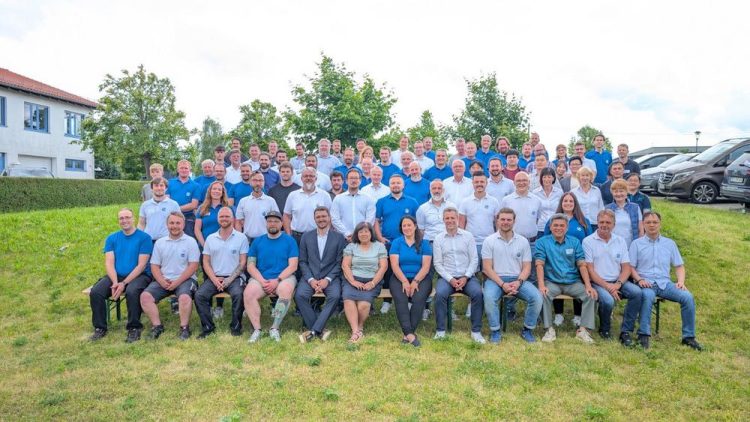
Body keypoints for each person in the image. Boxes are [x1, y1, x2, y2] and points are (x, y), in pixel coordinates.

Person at [629, 212, 703, 351]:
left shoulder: (669, 244)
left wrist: (681, 281)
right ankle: (643, 335)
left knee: (687, 297)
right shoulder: (636, 244)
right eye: (648, 222)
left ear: (660, 224)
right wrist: (639, 279)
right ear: (643, 224)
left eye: (655, 222)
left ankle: (688, 337)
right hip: (646, 283)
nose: (652, 225)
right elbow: (630, 267)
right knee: (648, 296)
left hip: (665, 284)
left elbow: (679, 266)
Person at [88, 208, 154, 342]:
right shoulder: (112, 238)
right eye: (121, 218)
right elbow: (109, 263)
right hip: (116, 276)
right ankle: (100, 328)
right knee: (96, 292)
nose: (124, 220)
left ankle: (134, 327)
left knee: (132, 291)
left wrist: (124, 283)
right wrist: (115, 282)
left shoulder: (144, 238)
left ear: (133, 218)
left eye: (127, 217)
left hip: (140, 276)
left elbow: (141, 266)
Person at [583, 209, 647, 344]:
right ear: (597, 223)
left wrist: (617, 284)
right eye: (601, 222)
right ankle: (604, 329)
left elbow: (626, 267)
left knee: (637, 293)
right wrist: (608, 287)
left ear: (614, 224)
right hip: (598, 282)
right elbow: (590, 270)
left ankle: (626, 331)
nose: (604, 225)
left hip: (618, 281)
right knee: (608, 301)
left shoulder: (620, 241)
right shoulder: (588, 241)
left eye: (608, 222)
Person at [535, 214, 598, 344]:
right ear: (550, 227)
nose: (558, 228)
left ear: (567, 228)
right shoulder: (542, 242)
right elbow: (539, 264)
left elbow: (582, 264)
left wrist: (588, 285)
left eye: (562, 225)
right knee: (543, 294)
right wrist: (541, 285)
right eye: (555, 225)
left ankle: (583, 331)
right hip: (552, 282)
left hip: (572, 282)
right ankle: (549, 329)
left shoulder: (574, 242)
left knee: (590, 295)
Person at [482, 208, 541, 343]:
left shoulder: (523, 241)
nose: (505, 222)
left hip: (517, 279)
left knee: (536, 297)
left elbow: (527, 268)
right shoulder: (489, 241)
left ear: (514, 221)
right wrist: (502, 284)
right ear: (497, 221)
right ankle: (495, 331)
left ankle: (527, 330)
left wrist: (518, 282)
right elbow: (487, 268)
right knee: (489, 298)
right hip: (495, 280)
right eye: (502, 219)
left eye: (509, 219)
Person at [140, 212, 201, 340]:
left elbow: (193, 266)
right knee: (145, 297)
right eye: (171, 223)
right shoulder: (160, 243)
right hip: (164, 280)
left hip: (185, 279)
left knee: (184, 298)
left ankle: (184, 328)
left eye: (178, 223)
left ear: (183, 224)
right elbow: (154, 266)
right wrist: (161, 281)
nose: (174, 226)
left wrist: (177, 282)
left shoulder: (191, 242)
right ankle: (157, 326)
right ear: (167, 225)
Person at [244, 211, 299, 343]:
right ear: (266, 223)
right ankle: (257, 329)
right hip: (261, 278)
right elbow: (250, 266)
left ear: (281, 223)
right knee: (248, 293)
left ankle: (274, 327)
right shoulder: (257, 241)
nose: (272, 224)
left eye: (276, 221)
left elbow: (293, 266)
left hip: (284, 278)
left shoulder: (289, 241)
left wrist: (277, 280)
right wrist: (262, 281)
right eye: (269, 221)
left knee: (285, 290)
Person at [433, 207, 486, 343]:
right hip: (447, 278)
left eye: (452, 218)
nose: (450, 220)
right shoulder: (438, 239)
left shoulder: (468, 236)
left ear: (457, 219)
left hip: (467, 277)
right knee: (440, 294)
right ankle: (440, 331)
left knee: (478, 294)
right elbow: (437, 263)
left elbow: (474, 259)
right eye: (447, 218)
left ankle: (476, 331)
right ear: (443, 220)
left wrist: (466, 277)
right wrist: (450, 279)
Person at [194, 207, 249, 338]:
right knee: (199, 295)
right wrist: (214, 279)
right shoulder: (210, 238)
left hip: (235, 277)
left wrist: (228, 280)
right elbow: (206, 262)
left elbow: (243, 263)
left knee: (239, 294)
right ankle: (208, 327)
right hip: (215, 277)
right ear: (218, 219)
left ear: (233, 219)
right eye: (221, 217)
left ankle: (236, 327)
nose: (224, 219)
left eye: (227, 216)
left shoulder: (241, 238)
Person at [296, 207, 347, 342]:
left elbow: (339, 262)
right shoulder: (306, 236)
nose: (321, 219)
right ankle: (319, 329)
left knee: (335, 296)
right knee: (300, 295)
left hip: (331, 278)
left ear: (329, 218)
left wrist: (327, 280)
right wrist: (311, 280)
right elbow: (303, 261)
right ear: (314, 219)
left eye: (324, 216)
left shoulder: (339, 237)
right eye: (318, 217)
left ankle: (313, 331)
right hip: (310, 277)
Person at [544, 192, 593, 327]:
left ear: (575, 203)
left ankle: (578, 315)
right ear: (561, 203)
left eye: (571, 201)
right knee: (557, 280)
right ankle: (558, 314)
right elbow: (546, 239)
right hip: (557, 258)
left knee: (578, 284)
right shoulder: (553, 220)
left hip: (578, 259)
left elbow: (590, 241)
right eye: (565, 201)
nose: (568, 203)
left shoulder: (583, 221)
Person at [374, 174, 419, 314]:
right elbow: (376, 221)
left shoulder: (412, 202)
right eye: (393, 183)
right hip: (388, 242)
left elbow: (417, 223)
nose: (395, 185)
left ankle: (410, 300)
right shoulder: (382, 201)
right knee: (387, 271)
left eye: (398, 183)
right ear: (389, 185)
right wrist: (380, 237)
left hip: (407, 243)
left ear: (403, 185)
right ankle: (387, 301)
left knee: (407, 269)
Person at [389, 216, 433, 346]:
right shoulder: (397, 243)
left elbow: (426, 267)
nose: (407, 228)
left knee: (418, 299)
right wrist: (404, 281)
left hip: (421, 277)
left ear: (415, 226)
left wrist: (415, 281)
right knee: (400, 299)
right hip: (399, 277)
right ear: (401, 228)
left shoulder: (424, 244)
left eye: (409, 225)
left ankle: (407, 334)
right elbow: (394, 265)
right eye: (404, 226)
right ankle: (410, 334)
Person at [341, 222, 388, 343]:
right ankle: (356, 331)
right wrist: (353, 281)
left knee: (363, 305)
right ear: (357, 234)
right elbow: (345, 265)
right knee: (348, 300)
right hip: (352, 279)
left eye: (366, 231)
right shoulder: (351, 246)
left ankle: (360, 326)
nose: (363, 234)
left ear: (371, 233)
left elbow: (383, 267)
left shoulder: (379, 246)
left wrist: (372, 283)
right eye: (360, 232)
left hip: (372, 280)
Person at [284, 167, 333, 244]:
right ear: (301, 178)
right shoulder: (292, 195)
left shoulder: (325, 195)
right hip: (296, 237)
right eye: (305, 176)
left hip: (318, 236)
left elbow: (330, 216)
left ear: (316, 178)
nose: (308, 178)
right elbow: (286, 216)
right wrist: (288, 235)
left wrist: (325, 234)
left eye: (311, 176)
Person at [459, 172, 501, 257]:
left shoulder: (494, 201)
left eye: (482, 182)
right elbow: (461, 225)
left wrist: (498, 240)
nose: (479, 184)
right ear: (472, 183)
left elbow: (498, 223)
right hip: (471, 243)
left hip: (490, 242)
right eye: (476, 182)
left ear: (486, 183)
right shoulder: (465, 202)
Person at [331, 169, 376, 241]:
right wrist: (347, 233)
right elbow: (335, 219)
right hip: (343, 238)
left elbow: (370, 219)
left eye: (356, 178)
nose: (353, 180)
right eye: (351, 178)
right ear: (346, 181)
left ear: (360, 180)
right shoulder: (338, 198)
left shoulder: (368, 198)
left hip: (363, 238)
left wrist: (360, 234)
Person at [235, 171, 279, 243]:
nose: (258, 183)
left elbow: (277, 221)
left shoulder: (271, 201)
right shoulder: (243, 201)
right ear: (250, 182)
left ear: (264, 182)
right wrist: (240, 240)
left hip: (266, 240)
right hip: (247, 241)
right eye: (255, 180)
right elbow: (238, 222)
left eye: (260, 180)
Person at [500, 172, 542, 245]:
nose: (521, 183)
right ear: (514, 183)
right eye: (518, 181)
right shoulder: (506, 200)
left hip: (532, 243)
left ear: (529, 182)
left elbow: (536, 220)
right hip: (512, 242)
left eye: (524, 180)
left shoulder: (537, 200)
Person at [167, 160, 201, 238]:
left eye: (186, 168)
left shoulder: (196, 185)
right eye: (181, 168)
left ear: (190, 170)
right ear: (178, 170)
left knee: (188, 239)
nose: (184, 170)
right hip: (171, 216)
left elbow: (194, 204)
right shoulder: (169, 183)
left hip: (188, 217)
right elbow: (167, 200)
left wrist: (176, 209)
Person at [605, 180, 643, 246]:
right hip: (612, 245)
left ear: (626, 192)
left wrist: (639, 246)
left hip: (631, 245)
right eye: (616, 191)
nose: (618, 194)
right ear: (612, 193)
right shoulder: (607, 208)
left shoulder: (635, 207)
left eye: (621, 191)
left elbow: (641, 229)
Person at [195, 181, 231, 250]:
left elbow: (232, 227)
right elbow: (197, 229)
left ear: (222, 193)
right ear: (210, 191)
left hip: (224, 246)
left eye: (219, 189)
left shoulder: (228, 208)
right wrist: (205, 245)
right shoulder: (202, 208)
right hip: (205, 245)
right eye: (214, 189)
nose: (216, 191)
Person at [533, 168, 564, 239]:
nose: (547, 179)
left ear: (553, 178)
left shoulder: (559, 192)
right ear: (541, 178)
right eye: (544, 177)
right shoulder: (535, 193)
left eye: (549, 177)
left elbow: (562, 210)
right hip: (540, 227)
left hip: (556, 227)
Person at [572, 167, 604, 231]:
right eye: (582, 175)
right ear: (579, 177)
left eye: (587, 175)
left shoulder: (597, 190)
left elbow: (601, 208)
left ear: (590, 177)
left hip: (595, 224)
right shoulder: (573, 192)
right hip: (580, 224)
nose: (585, 178)